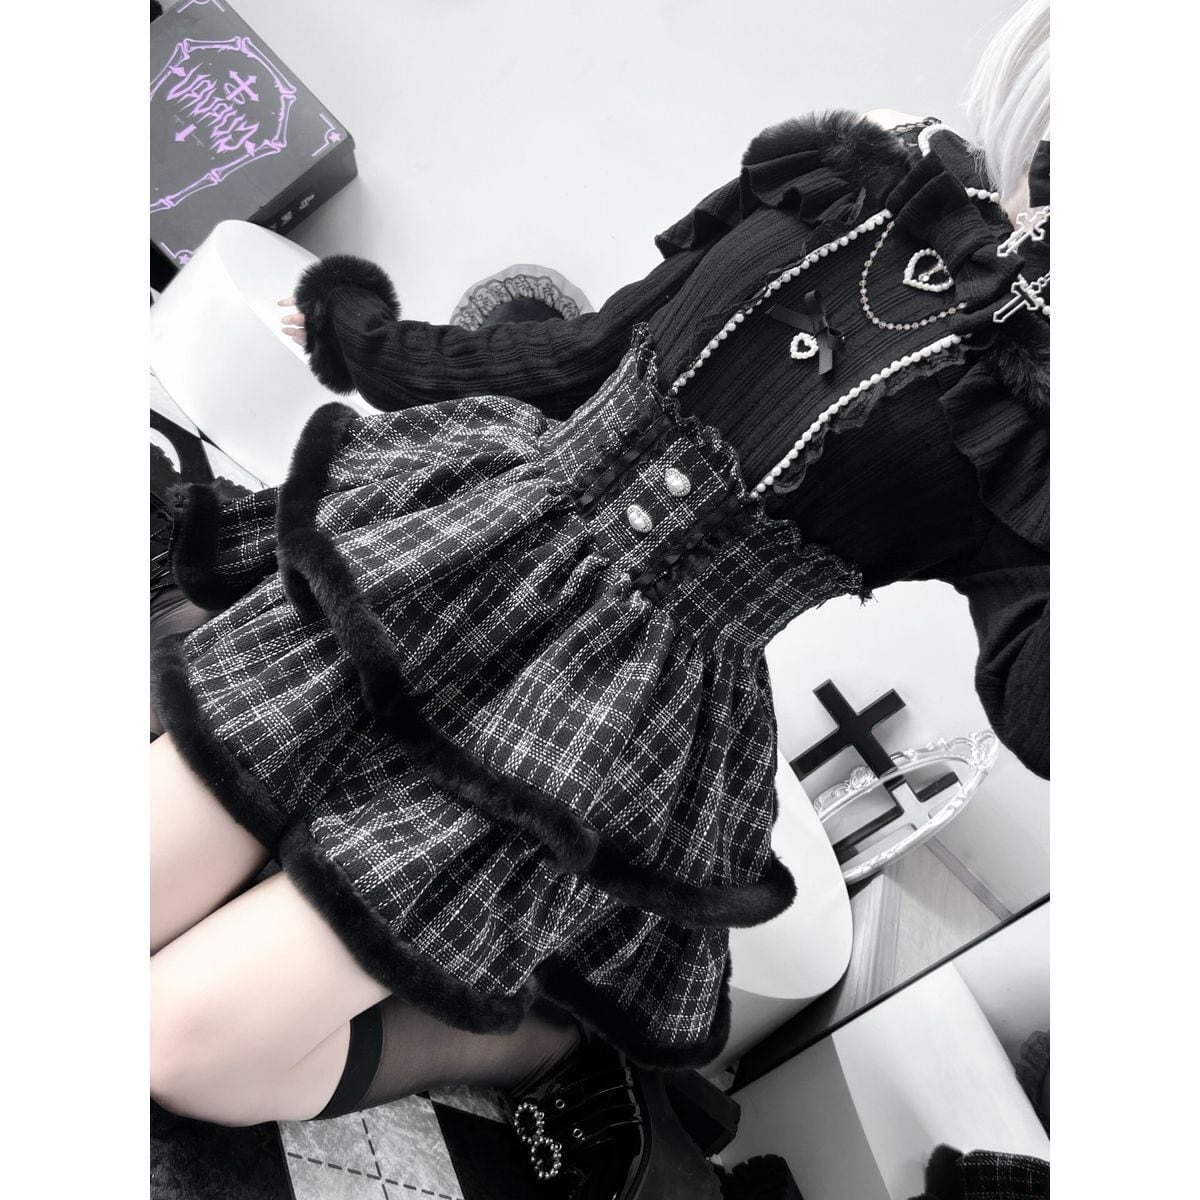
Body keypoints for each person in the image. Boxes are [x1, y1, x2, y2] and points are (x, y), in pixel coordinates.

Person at [149, 2, 1050, 1195]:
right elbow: (587, 352)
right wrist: (364, 338)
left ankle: (538, 1039)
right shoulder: (855, 170)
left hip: (603, 716)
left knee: (175, 1046)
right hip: (459, 551)